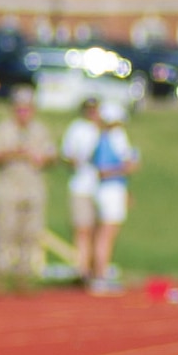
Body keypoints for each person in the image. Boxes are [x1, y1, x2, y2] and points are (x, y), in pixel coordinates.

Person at [0, 86, 53, 277]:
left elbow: (52, 155)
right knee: (5, 231)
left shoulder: (40, 130)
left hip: (33, 187)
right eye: (19, 108)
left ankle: (25, 273)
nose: (23, 113)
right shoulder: (2, 129)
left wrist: (42, 158)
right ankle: (0, 272)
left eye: (27, 108)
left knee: (30, 233)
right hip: (9, 187)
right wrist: (12, 153)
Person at [86, 102, 137, 296]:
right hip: (111, 189)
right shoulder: (116, 137)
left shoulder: (102, 137)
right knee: (107, 234)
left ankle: (99, 275)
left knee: (103, 233)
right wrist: (128, 167)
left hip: (106, 190)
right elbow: (123, 165)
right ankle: (100, 277)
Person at [58, 98, 104, 280]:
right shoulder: (76, 128)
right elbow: (66, 154)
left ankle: (98, 269)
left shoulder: (106, 129)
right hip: (82, 186)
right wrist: (75, 161)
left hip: (103, 188)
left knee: (100, 230)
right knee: (83, 229)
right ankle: (83, 269)